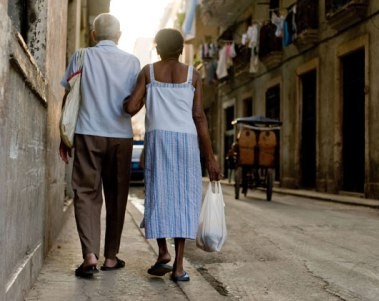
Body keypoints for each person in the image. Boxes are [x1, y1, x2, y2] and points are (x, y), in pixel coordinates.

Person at [124, 28, 221, 282]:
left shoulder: (148, 72)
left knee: (157, 194)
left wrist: (128, 100)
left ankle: (163, 252)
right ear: (180, 50)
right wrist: (210, 156)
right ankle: (178, 266)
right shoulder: (193, 75)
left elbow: (132, 107)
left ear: (157, 48)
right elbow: (199, 116)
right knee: (184, 199)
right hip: (186, 143)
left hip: (158, 141)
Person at [59, 13, 140, 278]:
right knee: (117, 196)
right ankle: (110, 257)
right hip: (121, 136)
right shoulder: (132, 61)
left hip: (87, 132)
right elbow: (134, 102)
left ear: (94, 35)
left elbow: (70, 95)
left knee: (85, 193)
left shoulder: (81, 56)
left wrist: (64, 136)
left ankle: (89, 255)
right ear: (119, 35)